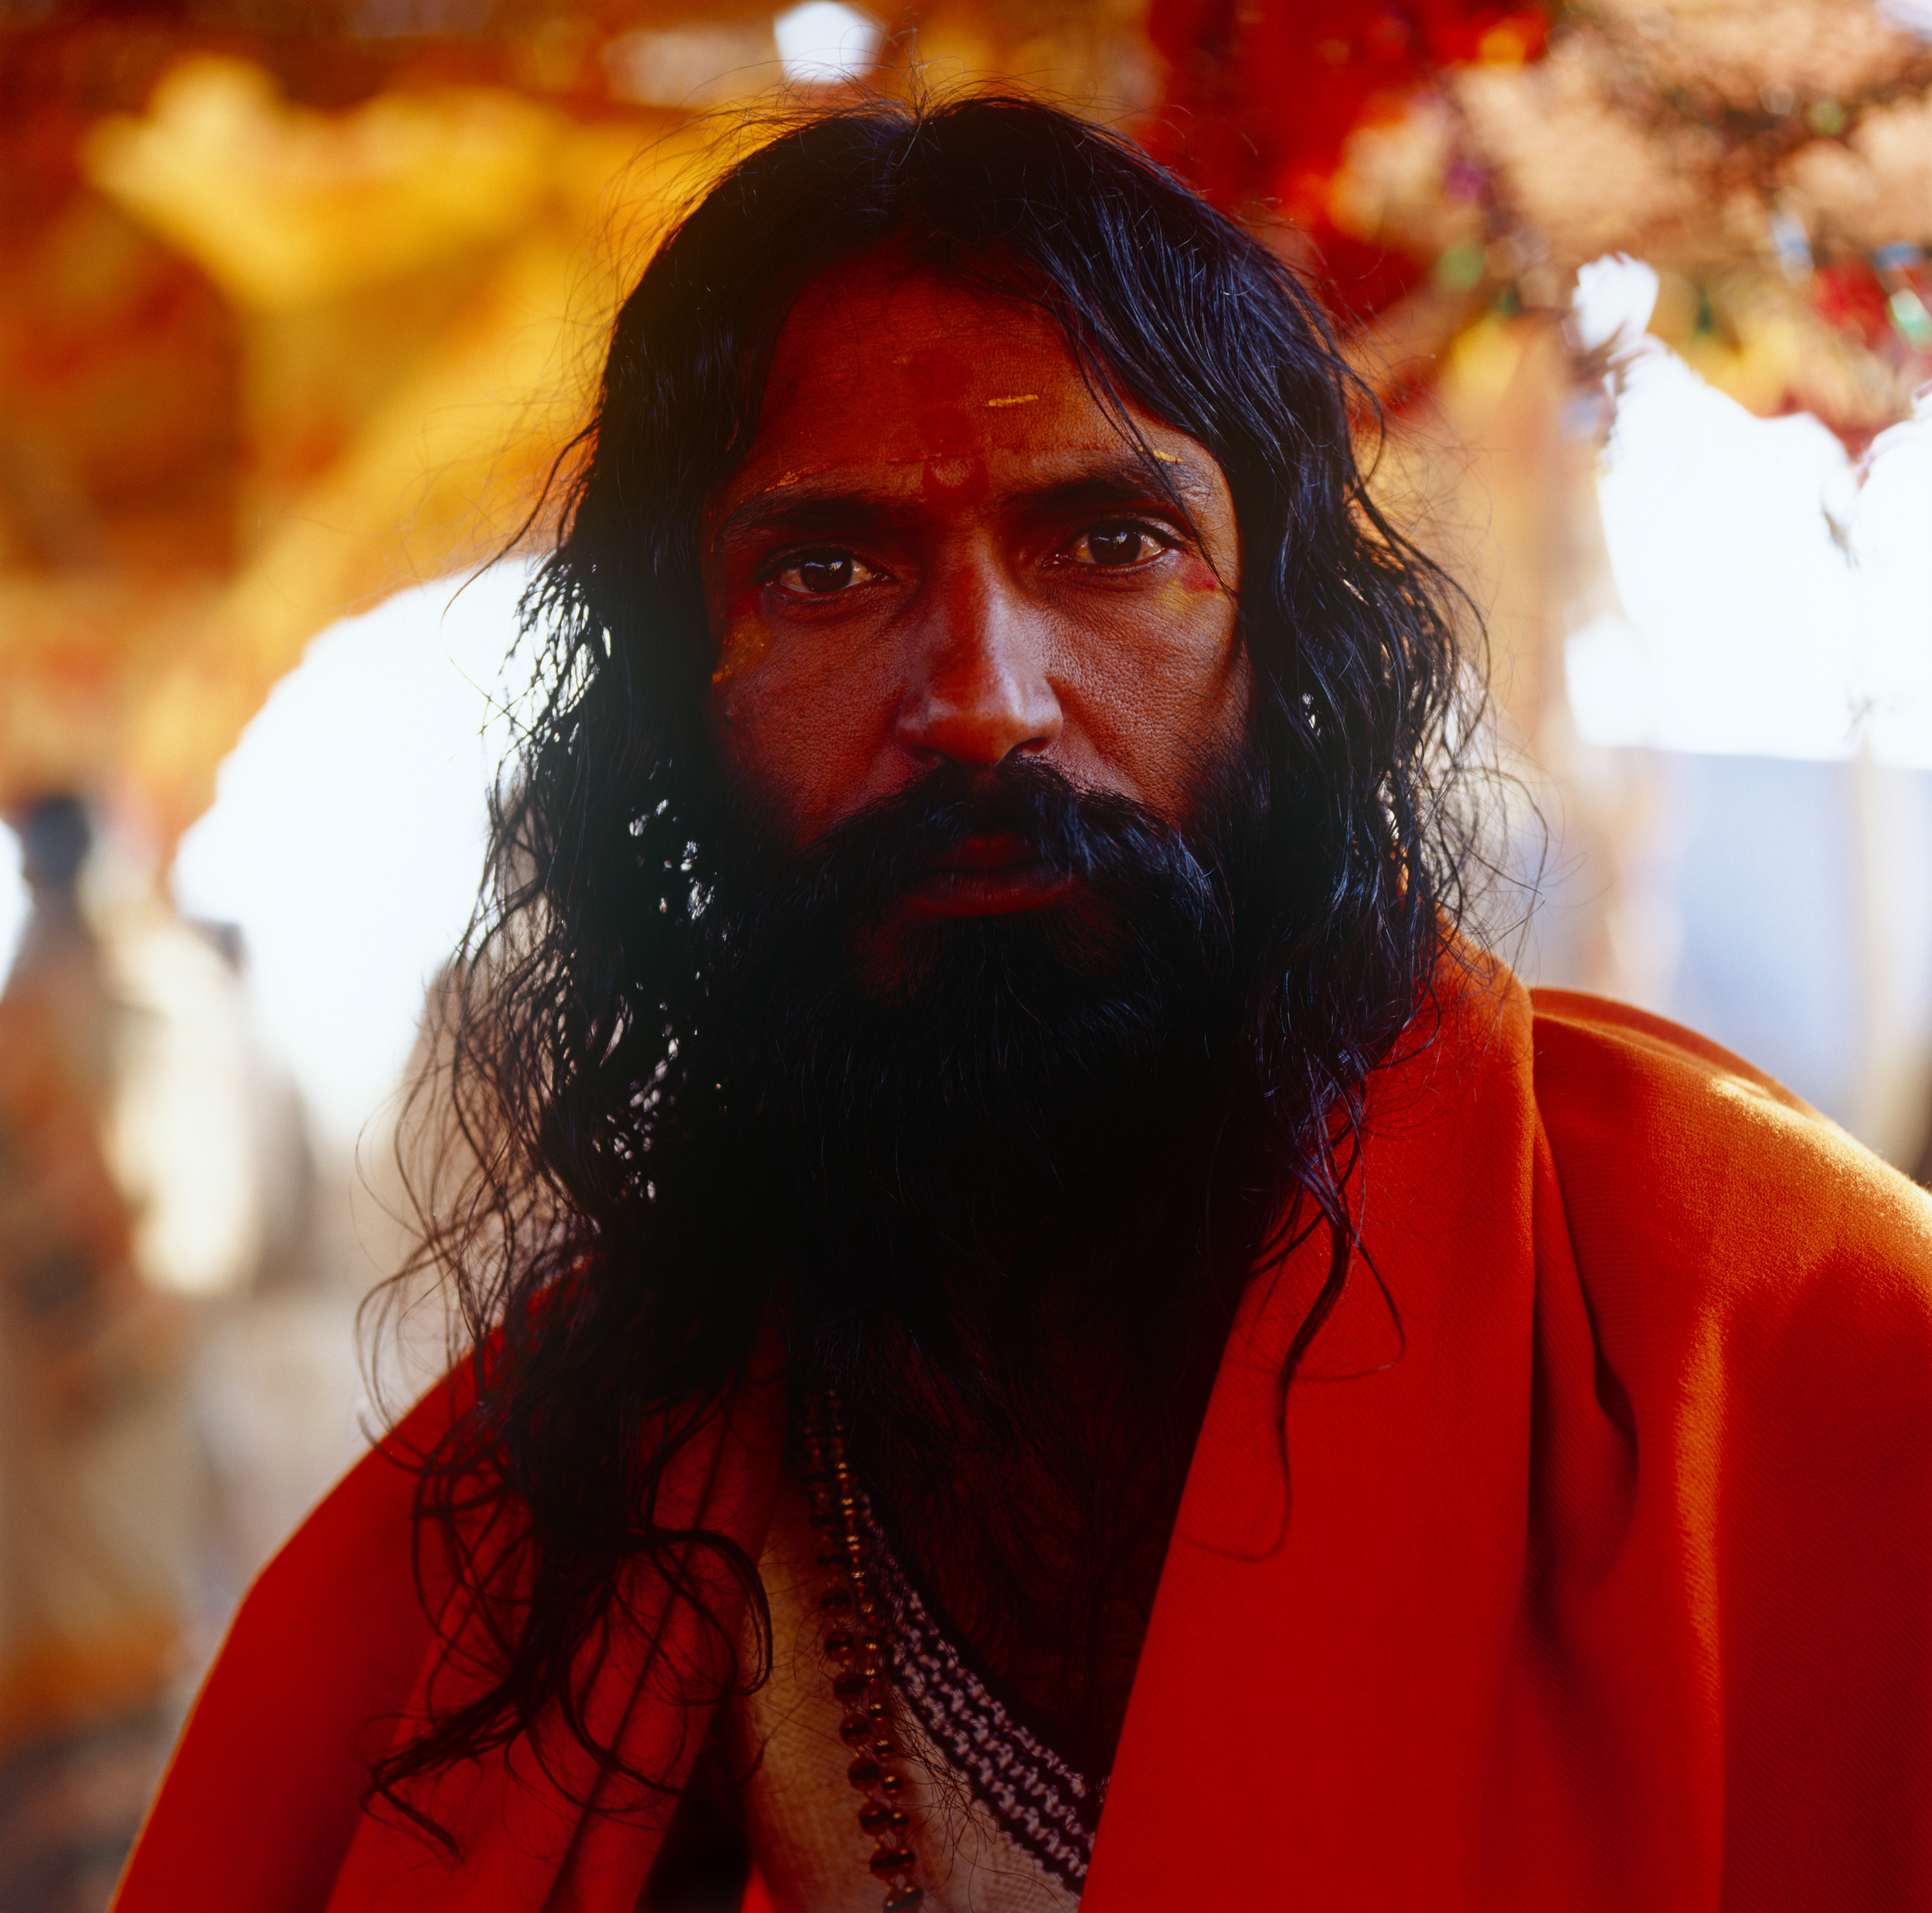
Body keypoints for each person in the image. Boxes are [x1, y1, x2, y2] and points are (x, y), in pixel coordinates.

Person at [114, 97, 1932, 1913]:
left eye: (1109, 543)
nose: (983, 701)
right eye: (825, 570)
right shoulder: (527, 1527)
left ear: (1287, 652)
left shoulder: (1763, 1332)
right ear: (673, 718)